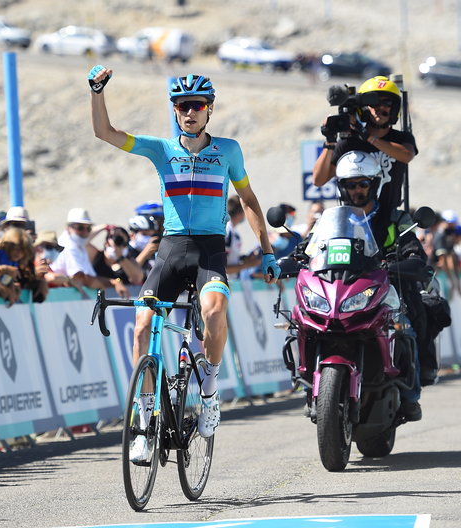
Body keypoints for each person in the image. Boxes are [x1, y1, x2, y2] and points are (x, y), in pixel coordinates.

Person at [89, 66, 280, 453]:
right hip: (172, 249)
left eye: (197, 105)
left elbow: (249, 200)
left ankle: (209, 395)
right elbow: (104, 133)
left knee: (214, 311)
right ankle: (144, 425)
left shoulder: (228, 150)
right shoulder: (161, 149)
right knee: (142, 326)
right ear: (174, 111)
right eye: (181, 106)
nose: (189, 112)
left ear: (210, 109)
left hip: (210, 249)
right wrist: (96, 92)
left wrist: (267, 251)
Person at [307, 151, 430, 420]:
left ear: (374, 184)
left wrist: (407, 259)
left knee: (404, 327)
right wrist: (294, 258)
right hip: (340, 289)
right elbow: (308, 248)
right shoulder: (331, 220)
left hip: (384, 290)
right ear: (342, 187)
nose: (357, 190)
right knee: (300, 321)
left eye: (363, 183)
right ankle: (307, 379)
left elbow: (414, 251)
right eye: (351, 185)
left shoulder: (396, 220)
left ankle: (410, 394)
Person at [312, 75, 417, 230]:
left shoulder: (401, 139)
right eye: (374, 104)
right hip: (352, 221)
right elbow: (318, 180)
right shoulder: (349, 143)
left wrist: (369, 138)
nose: (380, 109)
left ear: (394, 108)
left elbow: (406, 155)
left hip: (389, 220)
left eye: (387, 103)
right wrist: (330, 142)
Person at [224, 197, 261, 277]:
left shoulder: (233, 232)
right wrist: (249, 264)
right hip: (223, 282)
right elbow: (222, 267)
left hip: (229, 282)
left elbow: (230, 259)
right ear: (239, 213)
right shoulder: (227, 232)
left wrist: (245, 258)